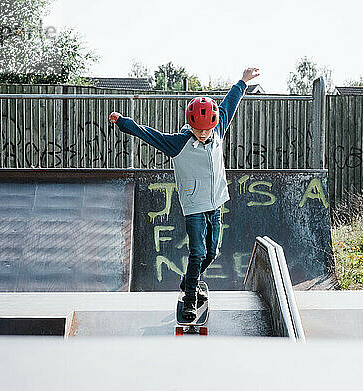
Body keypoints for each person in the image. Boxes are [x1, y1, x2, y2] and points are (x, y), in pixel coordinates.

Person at [109, 67, 260, 320]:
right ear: (191, 125)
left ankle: (189, 280)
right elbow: (148, 134)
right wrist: (122, 122)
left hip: (216, 204)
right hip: (194, 207)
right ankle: (190, 297)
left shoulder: (218, 128)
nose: (203, 134)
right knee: (198, 252)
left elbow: (230, 104)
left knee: (212, 253)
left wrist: (243, 82)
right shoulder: (179, 142)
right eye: (198, 130)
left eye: (207, 130)